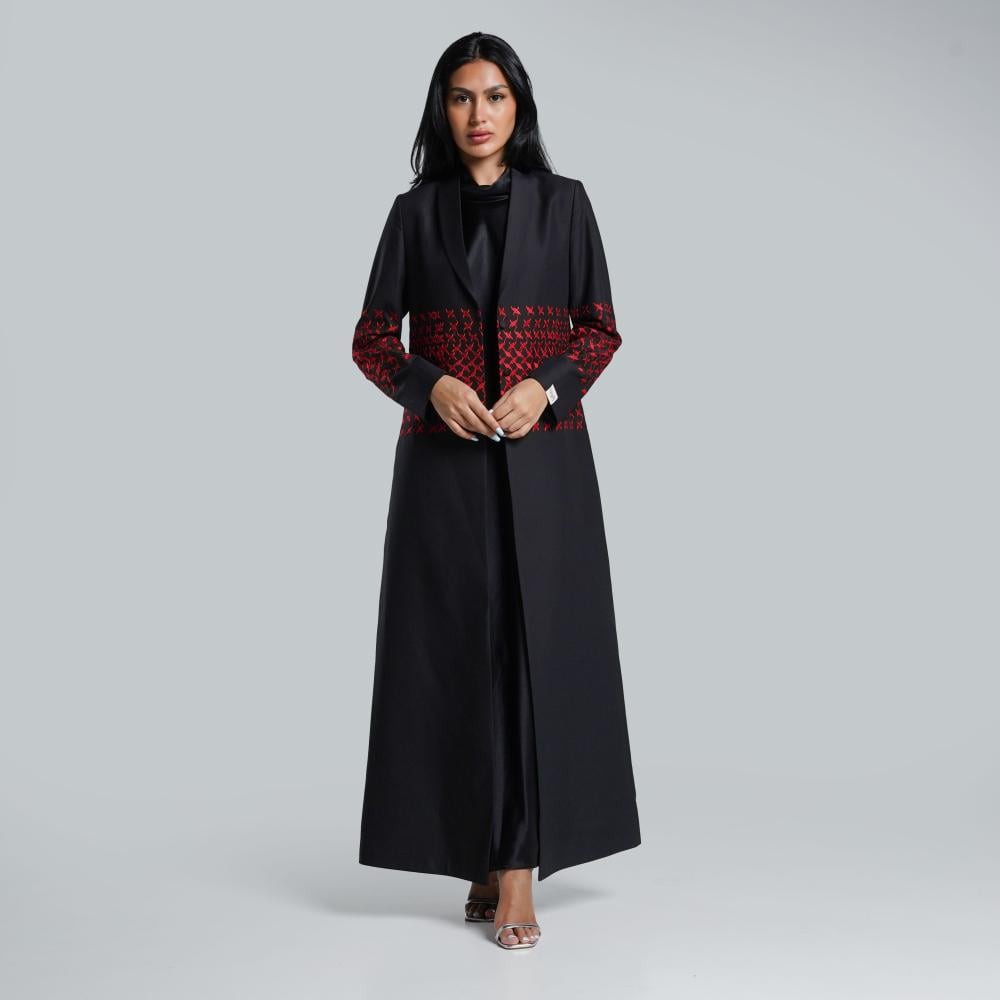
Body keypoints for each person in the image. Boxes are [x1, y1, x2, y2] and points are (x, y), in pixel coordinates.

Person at [351, 32, 641, 951]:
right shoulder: (413, 214)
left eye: (495, 96)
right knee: (457, 657)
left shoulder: (565, 206)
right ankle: (482, 849)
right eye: (461, 97)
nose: (478, 115)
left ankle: (516, 871)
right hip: (441, 470)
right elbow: (371, 339)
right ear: (442, 111)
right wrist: (429, 385)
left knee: (528, 651)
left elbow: (599, 330)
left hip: (545, 464)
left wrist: (545, 386)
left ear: (520, 107)